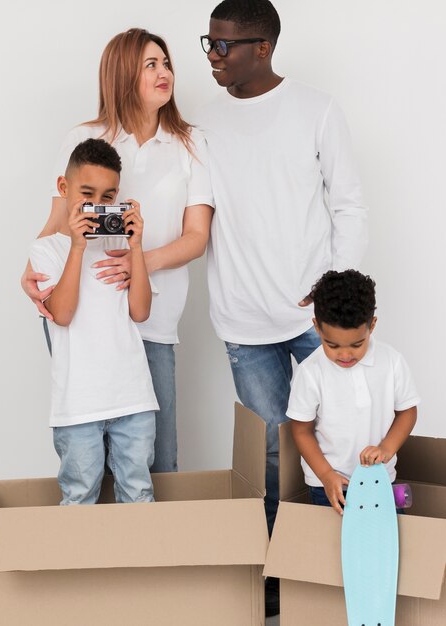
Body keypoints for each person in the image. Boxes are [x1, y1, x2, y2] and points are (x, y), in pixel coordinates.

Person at [197, 0, 368, 614]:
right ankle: (279, 572)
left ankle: (343, 562)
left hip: (312, 320)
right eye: (208, 43)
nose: (213, 56)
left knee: (344, 437)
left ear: (262, 48)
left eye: (223, 45)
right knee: (272, 451)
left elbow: (347, 203)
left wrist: (335, 290)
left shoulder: (316, 110)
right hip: (243, 322)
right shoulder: (205, 124)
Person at [22, 28, 214, 474]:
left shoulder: (191, 144)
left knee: (157, 458)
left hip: (152, 311)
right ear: (123, 73)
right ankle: (100, 542)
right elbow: (57, 221)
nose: (164, 72)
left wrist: (138, 264)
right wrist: (30, 269)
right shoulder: (84, 137)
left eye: (166, 63)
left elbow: (196, 237)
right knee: (89, 455)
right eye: (151, 64)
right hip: (84, 316)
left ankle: (152, 543)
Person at [29, 138, 159, 505]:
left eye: (108, 197)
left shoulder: (120, 245)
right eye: (87, 195)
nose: (97, 207)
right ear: (63, 188)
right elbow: (63, 313)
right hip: (78, 401)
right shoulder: (46, 249)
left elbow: (141, 312)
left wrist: (136, 249)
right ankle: (80, 564)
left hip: (131, 395)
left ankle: (136, 562)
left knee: (138, 491)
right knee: (79, 493)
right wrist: (77, 246)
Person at [288, 269, 419, 516]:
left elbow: (407, 411)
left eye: (357, 344)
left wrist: (386, 449)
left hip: (380, 481)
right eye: (333, 345)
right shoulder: (310, 372)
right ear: (316, 327)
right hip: (330, 486)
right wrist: (326, 475)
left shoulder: (391, 361)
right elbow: (301, 430)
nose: (345, 355)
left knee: (384, 547)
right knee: (334, 551)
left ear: (372, 326)